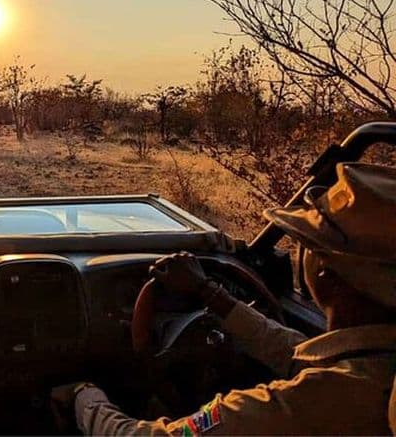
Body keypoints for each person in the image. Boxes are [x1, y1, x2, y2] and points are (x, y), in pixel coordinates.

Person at [54, 162, 396, 435]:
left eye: (306, 246)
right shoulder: (369, 367)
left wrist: (84, 398)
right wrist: (210, 293)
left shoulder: (307, 404)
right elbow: (299, 355)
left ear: (324, 271)